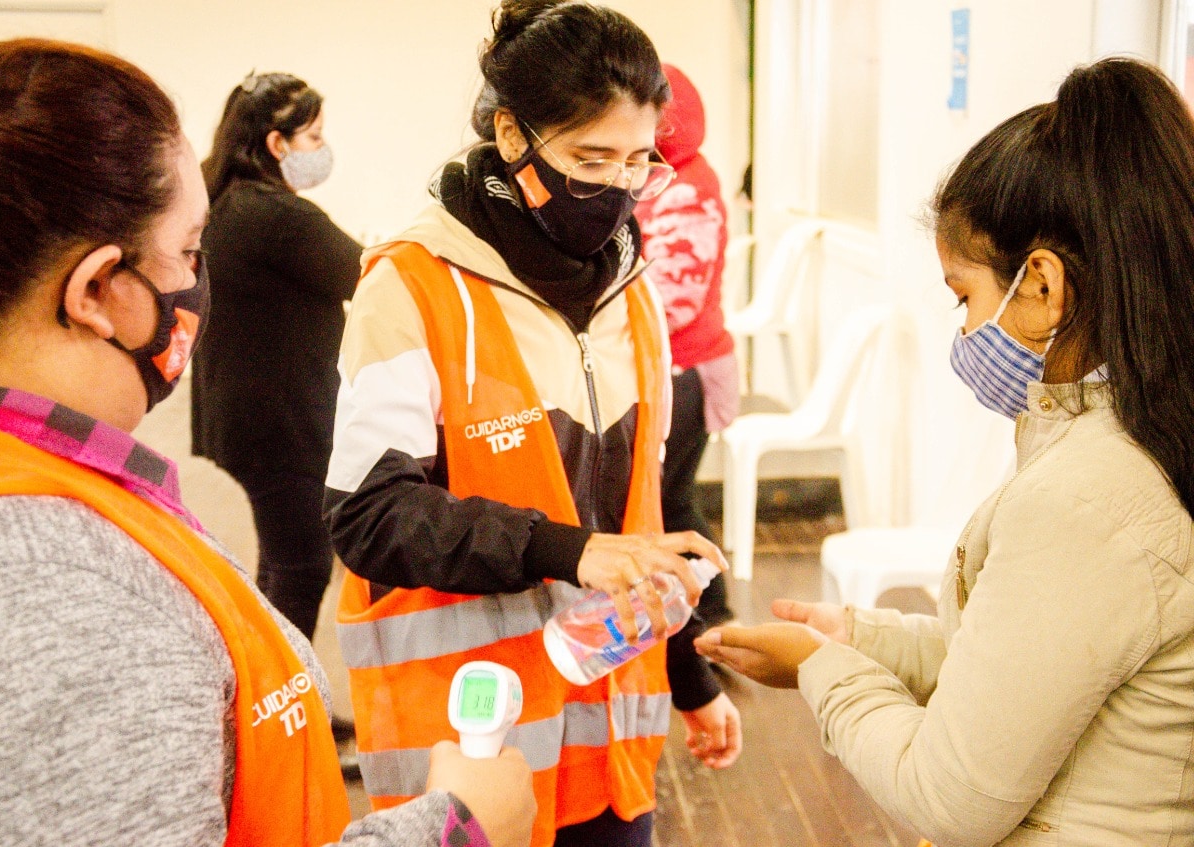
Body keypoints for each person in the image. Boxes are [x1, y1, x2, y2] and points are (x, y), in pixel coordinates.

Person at [0, 15, 534, 847]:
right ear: (98, 289)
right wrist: (456, 828)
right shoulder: (46, 597)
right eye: (188, 249)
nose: (198, 281)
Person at [696, 56, 1194, 846]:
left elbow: (949, 793)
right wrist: (858, 637)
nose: (962, 334)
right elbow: (1027, 662)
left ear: (1043, 285)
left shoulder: (1090, 496)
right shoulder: (1136, 435)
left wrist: (820, 669)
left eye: (964, 297)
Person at [324, 2, 742, 845]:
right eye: (592, 158)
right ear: (512, 135)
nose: (620, 187)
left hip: (610, 744)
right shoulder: (412, 287)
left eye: (639, 161)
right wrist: (566, 549)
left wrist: (691, 676)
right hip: (473, 753)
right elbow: (369, 515)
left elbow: (640, 525)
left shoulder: (636, 301)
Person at [191, 72, 362, 642]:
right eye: (313, 137)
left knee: (275, 563)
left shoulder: (219, 204)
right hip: (283, 427)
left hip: (236, 421)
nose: (322, 150)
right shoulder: (280, 217)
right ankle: (289, 700)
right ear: (275, 143)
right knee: (302, 566)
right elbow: (367, 276)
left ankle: (276, 691)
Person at [633, 63, 738, 627]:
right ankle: (705, 622)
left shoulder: (689, 187)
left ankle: (707, 624)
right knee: (670, 502)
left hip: (686, 370)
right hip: (674, 366)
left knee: (671, 504)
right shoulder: (668, 177)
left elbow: (676, 298)